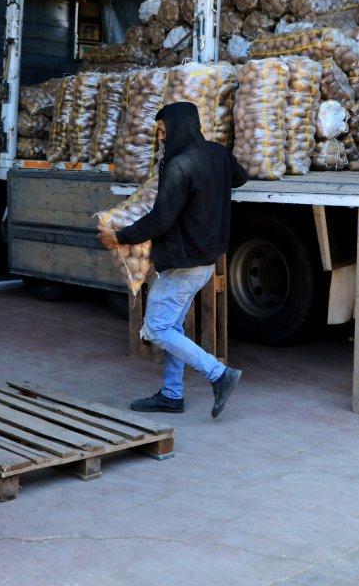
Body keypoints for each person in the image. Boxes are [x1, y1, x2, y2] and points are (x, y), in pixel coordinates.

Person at [97, 101, 247, 418]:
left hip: (183, 264)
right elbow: (240, 177)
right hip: (204, 261)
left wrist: (119, 237)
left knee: (156, 328)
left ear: (178, 128)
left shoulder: (180, 165)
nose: (161, 138)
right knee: (173, 327)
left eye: (164, 132)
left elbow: (160, 220)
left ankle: (219, 374)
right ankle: (171, 394)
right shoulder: (217, 154)